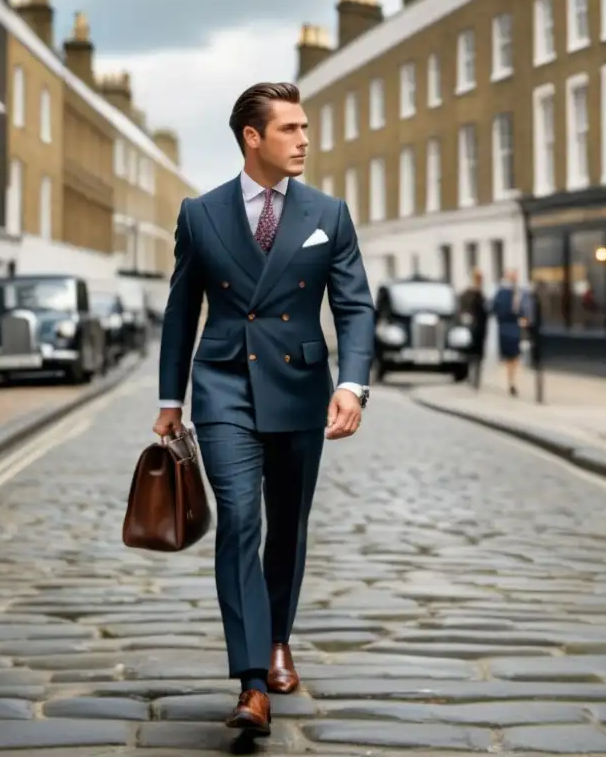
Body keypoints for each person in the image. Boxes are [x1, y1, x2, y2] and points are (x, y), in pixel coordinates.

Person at [152, 82, 375, 736]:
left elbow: (355, 307)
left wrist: (352, 384)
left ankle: (279, 638)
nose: (304, 140)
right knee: (241, 518)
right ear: (253, 138)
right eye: (290, 129)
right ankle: (252, 681)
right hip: (222, 386)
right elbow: (179, 310)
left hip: (302, 390)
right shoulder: (200, 213)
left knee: (287, 526)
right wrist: (171, 399)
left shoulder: (328, 214)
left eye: (306, 128)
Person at [491, 268, 531, 396]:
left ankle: (512, 381)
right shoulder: (513, 293)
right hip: (511, 326)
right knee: (513, 357)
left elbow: (494, 309)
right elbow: (522, 311)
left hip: (508, 327)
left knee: (511, 357)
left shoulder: (505, 292)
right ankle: (512, 381)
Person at [457, 268, 488, 388]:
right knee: (470, 354)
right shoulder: (467, 294)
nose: (479, 282)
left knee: (479, 355)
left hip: (481, 329)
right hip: (469, 329)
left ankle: (476, 379)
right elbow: (462, 310)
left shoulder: (481, 295)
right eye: (477, 279)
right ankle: (470, 377)